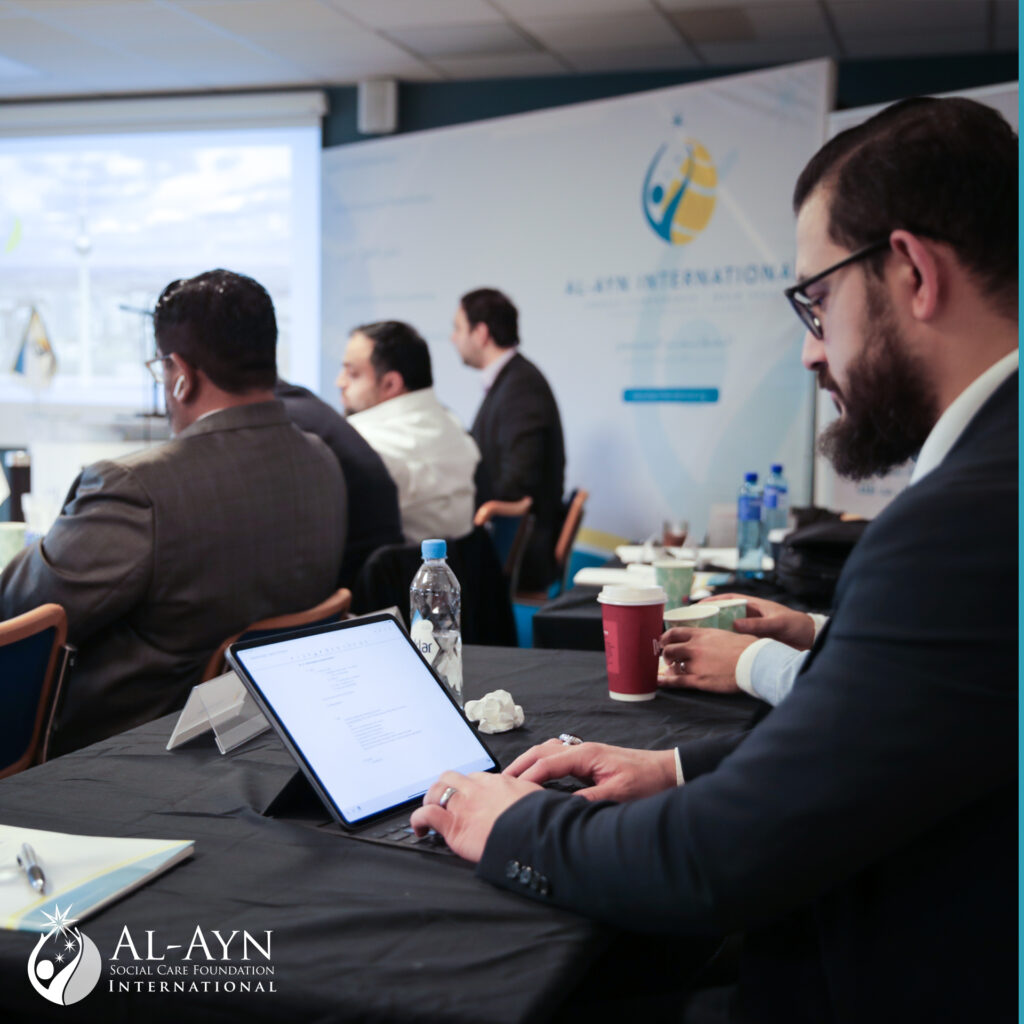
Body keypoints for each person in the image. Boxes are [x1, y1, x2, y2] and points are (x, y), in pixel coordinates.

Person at [411, 97, 1017, 1022]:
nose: (811, 352)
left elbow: (714, 862)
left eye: (817, 302)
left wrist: (512, 824)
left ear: (913, 273)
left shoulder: (963, 526)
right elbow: (879, 738)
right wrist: (676, 768)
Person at [0, 270, 347, 755]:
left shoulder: (137, 489)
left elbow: (20, 608)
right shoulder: (321, 461)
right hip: (266, 736)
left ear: (180, 375)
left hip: (126, 751)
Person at [452, 288, 565, 590]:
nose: (453, 338)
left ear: (481, 333)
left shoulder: (521, 386)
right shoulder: (512, 381)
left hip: (520, 549)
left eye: (458, 328)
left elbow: (518, 484)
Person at [338, 320, 480, 543]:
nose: (340, 382)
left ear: (391, 384)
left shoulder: (362, 445)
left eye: (352, 373)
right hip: (457, 562)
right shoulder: (454, 427)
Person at [274, 377, 403, 584]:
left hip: (357, 579)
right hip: (382, 570)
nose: (339, 382)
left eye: (353, 373)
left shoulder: (283, 420)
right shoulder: (305, 404)